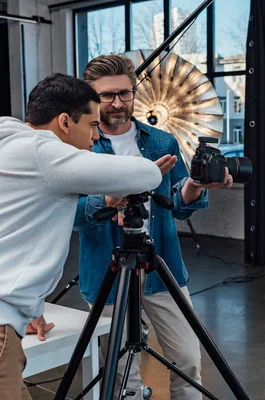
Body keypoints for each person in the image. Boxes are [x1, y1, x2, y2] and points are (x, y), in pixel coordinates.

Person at [74, 54, 232, 400]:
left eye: (125, 94)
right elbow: (68, 214)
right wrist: (106, 201)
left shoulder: (162, 141)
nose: (118, 103)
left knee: (189, 361)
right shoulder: (79, 148)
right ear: (90, 96)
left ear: (135, 93)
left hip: (163, 266)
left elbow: (178, 204)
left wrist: (194, 187)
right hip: (106, 270)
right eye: (107, 95)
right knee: (118, 371)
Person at [0, 73, 161, 400]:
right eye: (90, 125)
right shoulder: (42, 152)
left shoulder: (7, 142)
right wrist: (143, 168)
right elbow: (146, 174)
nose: (95, 135)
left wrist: (23, 304)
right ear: (63, 122)